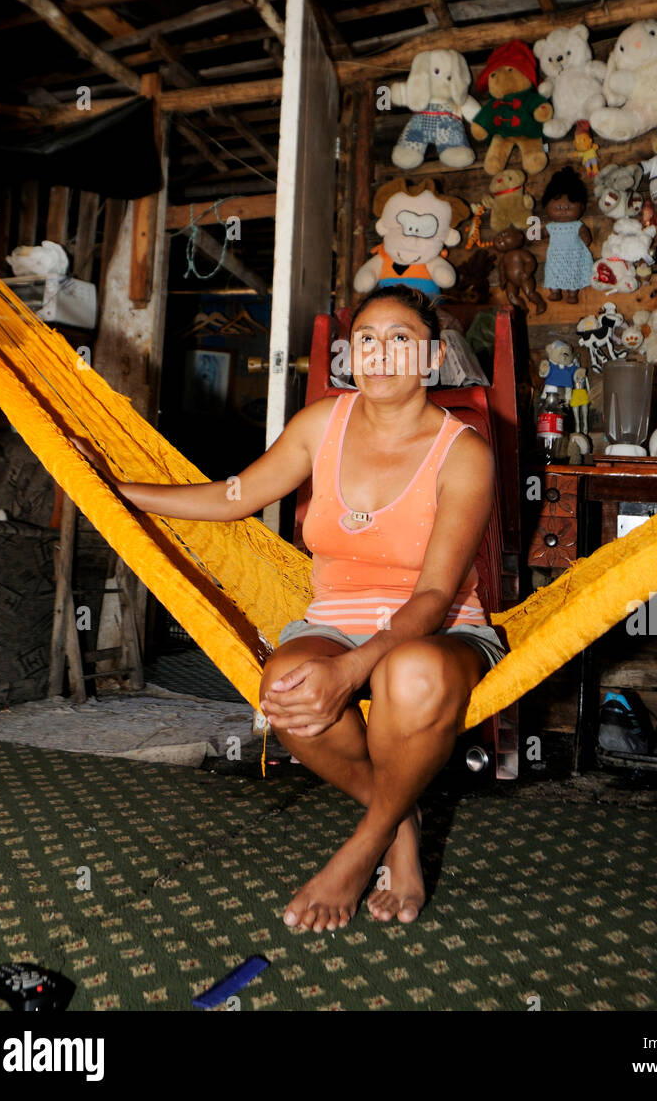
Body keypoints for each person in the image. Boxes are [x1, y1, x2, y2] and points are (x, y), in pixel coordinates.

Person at [72, 283, 505, 933]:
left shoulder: (464, 454)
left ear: (434, 357)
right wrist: (116, 491)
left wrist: (353, 671)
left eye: (400, 340)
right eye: (366, 340)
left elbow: (435, 597)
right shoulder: (320, 425)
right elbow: (232, 497)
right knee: (283, 685)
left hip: (440, 632)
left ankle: (364, 850)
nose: (381, 355)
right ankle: (400, 823)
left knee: (406, 673)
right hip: (333, 621)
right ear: (348, 355)